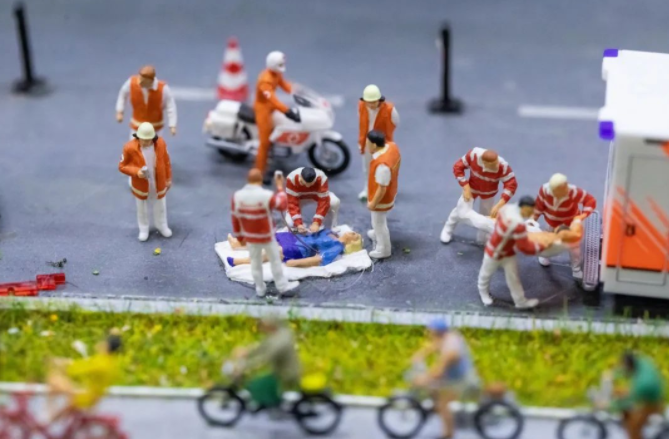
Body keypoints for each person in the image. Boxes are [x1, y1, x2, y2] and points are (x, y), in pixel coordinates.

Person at [231, 168, 299, 297]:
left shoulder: (237, 196)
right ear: (261, 180)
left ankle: (260, 288)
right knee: (275, 260)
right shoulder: (266, 195)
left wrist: (239, 237)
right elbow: (282, 205)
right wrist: (280, 187)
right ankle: (282, 286)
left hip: (251, 237)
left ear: (247, 180)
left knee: (255, 263)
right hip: (267, 236)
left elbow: (235, 218)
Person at [477, 196, 551, 309]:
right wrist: (542, 247)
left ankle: (520, 301)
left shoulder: (507, 209)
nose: (531, 214)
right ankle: (483, 292)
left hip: (508, 253)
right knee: (486, 273)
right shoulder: (517, 223)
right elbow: (524, 246)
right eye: (530, 211)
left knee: (513, 277)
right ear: (524, 208)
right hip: (494, 252)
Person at [411, 318, 479, 439]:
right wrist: (420, 355)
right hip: (457, 376)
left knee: (442, 404)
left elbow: (439, 370)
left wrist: (424, 378)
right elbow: (435, 346)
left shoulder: (450, 350)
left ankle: (448, 434)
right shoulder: (449, 337)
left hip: (460, 381)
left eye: (430, 331)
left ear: (436, 332)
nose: (429, 333)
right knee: (435, 390)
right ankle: (435, 406)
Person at [441, 148, 517, 244]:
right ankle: (448, 228)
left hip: (489, 192)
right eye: (493, 165)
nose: (497, 166)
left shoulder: (503, 166)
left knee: (486, 214)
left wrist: (499, 205)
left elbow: (511, 185)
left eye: (496, 163)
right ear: (484, 163)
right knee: (460, 210)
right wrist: (466, 187)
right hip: (471, 189)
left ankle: (482, 237)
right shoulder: (473, 155)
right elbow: (458, 167)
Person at [47, 330, 122, 422]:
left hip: (86, 397)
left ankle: (49, 414)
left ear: (106, 346)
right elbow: (85, 364)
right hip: (92, 395)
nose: (100, 343)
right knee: (65, 407)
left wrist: (62, 364)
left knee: (54, 379)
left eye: (103, 342)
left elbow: (78, 368)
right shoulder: (109, 361)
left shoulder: (102, 363)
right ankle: (53, 418)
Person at [533, 173, 597, 280]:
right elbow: (539, 206)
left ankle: (576, 268)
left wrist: (582, 216)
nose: (556, 194)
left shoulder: (573, 192)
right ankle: (545, 256)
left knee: (574, 247)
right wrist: (532, 220)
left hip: (570, 224)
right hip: (552, 222)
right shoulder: (544, 190)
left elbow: (590, 201)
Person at [232, 316, 302, 411]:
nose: (262, 329)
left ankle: (270, 405)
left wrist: (245, 366)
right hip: (280, 370)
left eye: (264, 326)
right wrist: (247, 352)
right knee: (260, 381)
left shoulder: (280, 341)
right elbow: (262, 347)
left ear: (270, 325)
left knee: (257, 384)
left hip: (286, 373)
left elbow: (266, 358)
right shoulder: (277, 335)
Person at [118, 122, 173, 241]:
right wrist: (137, 172)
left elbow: (167, 162)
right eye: (143, 140)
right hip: (141, 184)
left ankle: (162, 225)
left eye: (149, 140)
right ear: (138, 137)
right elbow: (122, 166)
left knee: (161, 205)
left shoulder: (161, 144)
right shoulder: (129, 148)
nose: (146, 142)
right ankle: (143, 228)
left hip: (158, 182)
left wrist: (168, 178)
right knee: (142, 208)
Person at [254, 51, 301, 182]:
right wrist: (287, 111)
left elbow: (284, 85)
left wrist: (297, 91)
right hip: (263, 108)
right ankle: (259, 172)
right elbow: (272, 100)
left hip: (271, 106)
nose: (282, 66)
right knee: (265, 143)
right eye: (280, 64)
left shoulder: (276, 74)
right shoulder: (265, 81)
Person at [227, 229, 363, 268]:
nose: (352, 232)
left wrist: (296, 262)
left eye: (354, 235)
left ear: (351, 242)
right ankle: (238, 244)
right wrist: (300, 229)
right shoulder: (332, 232)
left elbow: (319, 259)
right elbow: (311, 232)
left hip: (300, 249)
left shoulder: (337, 246)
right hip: (297, 238)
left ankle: (240, 261)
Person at [358, 85, 399, 201]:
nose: (371, 105)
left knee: (384, 168)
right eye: (368, 102)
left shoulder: (390, 109)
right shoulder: (361, 106)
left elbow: (395, 122)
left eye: (374, 102)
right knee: (367, 167)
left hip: (383, 144)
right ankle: (367, 189)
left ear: (379, 100)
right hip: (367, 142)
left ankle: (386, 191)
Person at [612, 352, 665, 439]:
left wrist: (615, 402)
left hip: (650, 403)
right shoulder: (642, 363)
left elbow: (633, 396)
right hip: (649, 397)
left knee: (633, 425)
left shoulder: (642, 382)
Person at [366, 130, 401, 259]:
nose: (366, 146)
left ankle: (384, 249)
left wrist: (373, 203)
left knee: (379, 224)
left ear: (374, 145)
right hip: (391, 189)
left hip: (381, 199)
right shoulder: (392, 147)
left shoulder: (382, 165)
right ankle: (376, 234)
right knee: (378, 222)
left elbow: (381, 189)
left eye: (368, 143)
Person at [116, 65, 177, 138]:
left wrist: (172, 125)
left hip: (155, 128)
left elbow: (171, 106)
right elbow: (123, 94)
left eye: (143, 80)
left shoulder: (163, 89)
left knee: (156, 144)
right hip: (137, 126)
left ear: (150, 80)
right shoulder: (132, 83)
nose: (139, 82)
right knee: (134, 144)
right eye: (140, 78)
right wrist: (120, 111)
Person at [285, 167, 341, 233]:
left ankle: (329, 227)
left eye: (310, 185)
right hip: (299, 199)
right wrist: (298, 224)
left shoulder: (322, 178)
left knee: (334, 201)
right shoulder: (291, 178)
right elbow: (292, 203)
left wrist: (316, 222)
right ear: (300, 177)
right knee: (290, 223)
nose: (307, 187)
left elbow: (323, 201)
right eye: (303, 183)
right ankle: (297, 229)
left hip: (316, 197)